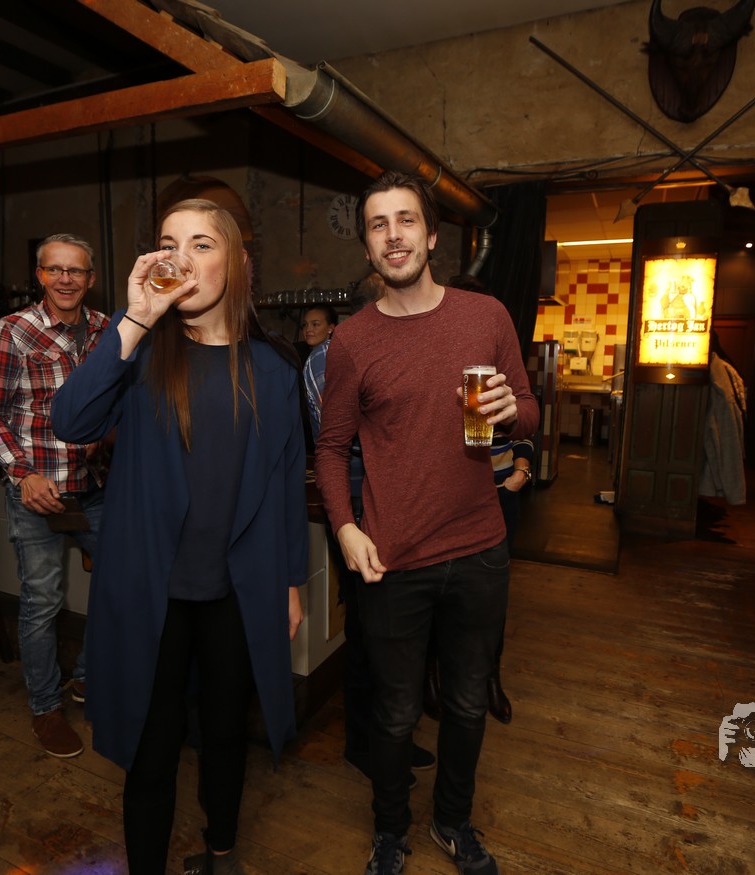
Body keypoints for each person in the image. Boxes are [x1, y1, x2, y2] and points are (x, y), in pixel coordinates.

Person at [52, 199, 307, 875]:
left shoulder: (274, 368)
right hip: (151, 590)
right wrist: (135, 318)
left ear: (237, 263)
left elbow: (286, 486)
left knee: (225, 734)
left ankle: (220, 854)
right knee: (151, 745)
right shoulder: (139, 350)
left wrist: (290, 582)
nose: (181, 259)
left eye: (201, 244)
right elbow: (70, 421)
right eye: (169, 244)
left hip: (236, 591)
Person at [314, 172, 538, 875]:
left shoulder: (486, 316)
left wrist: (513, 412)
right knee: (393, 712)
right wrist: (345, 528)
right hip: (394, 558)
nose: (393, 236)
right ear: (367, 246)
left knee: (467, 704)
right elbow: (329, 448)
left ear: (432, 235)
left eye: (405, 220)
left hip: (479, 550)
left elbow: (528, 410)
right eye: (378, 224)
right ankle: (389, 831)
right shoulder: (351, 342)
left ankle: (451, 821)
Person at [0, 233, 108, 758]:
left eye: (75, 271)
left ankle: (88, 677)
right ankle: (45, 707)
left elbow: (122, 399)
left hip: (95, 486)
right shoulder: (13, 331)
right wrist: (22, 474)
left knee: (119, 584)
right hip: (39, 490)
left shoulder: (107, 329)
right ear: (40, 275)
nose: (65, 279)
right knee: (43, 601)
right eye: (55, 270)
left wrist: (109, 433)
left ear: (90, 279)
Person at [302, 280, 436, 783]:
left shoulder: (393, 348)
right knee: (368, 630)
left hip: (401, 502)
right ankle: (364, 744)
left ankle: (392, 736)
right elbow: (346, 441)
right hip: (358, 503)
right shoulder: (327, 359)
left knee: (399, 627)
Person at [445, 274, 535, 725]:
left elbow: (527, 422)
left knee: (491, 599)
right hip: (454, 498)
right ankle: (439, 678)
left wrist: (521, 472)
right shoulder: (442, 363)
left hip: (500, 495)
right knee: (447, 595)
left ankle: (490, 679)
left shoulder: (496, 368)